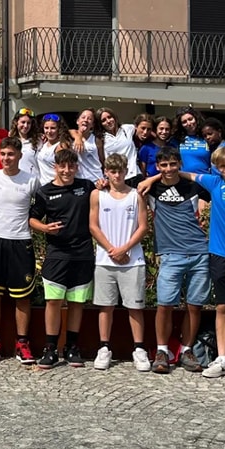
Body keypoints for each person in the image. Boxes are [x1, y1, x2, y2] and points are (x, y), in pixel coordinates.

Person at [145, 145, 225, 379]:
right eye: (221, 166)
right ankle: (189, 354)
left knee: (209, 305)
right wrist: (152, 178)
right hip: (213, 256)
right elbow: (175, 174)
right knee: (182, 305)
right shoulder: (214, 183)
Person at [29, 148, 95, 369]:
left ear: (76, 167)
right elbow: (32, 219)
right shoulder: (45, 192)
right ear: (55, 167)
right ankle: (50, 348)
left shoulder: (87, 187)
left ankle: (72, 347)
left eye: (71, 166)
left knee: (77, 302)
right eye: (62, 166)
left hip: (83, 253)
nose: (67, 170)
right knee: (54, 302)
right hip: (57, 254)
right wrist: (46, 228)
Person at [143, 146, 207, 375]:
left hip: (200, 252)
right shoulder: (151, 188)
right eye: (164, 165)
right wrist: (152, 178)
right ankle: (162, 351)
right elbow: (118, 181)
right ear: (158, 167)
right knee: (164, 304)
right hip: (170, 254)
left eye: (173, 164)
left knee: (194, 305)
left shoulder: (193, 186)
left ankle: (187, 350)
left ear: (179, 164)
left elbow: (219, 185)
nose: (169, 169)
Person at [0, 137, 38, 365]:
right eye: (3, 154)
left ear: (20, 155)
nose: (6, 159)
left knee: (22, 297)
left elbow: (48, 199)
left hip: (21, 242)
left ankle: (22, 343)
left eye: (10, 154)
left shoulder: (31, 181)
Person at [89, 153, 149, 372]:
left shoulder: (136, 195)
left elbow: (143, 226)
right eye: (112, 171)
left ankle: (139, 349)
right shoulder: (97, 195)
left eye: (120, 171)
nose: (116, 175)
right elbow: (93, 226)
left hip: (133, 259)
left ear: (126, 171)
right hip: (106, 259)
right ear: (106, 172)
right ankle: (104, 347)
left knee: (135, 306)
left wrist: (125, 248)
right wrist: (111, 249)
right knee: (105, 306)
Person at [97, 107, 138, 179]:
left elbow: (143, 129)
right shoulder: (100, 138)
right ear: (100, 124)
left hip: (134, 174)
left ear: (114, 117)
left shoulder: (126, 128)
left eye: (110, 117)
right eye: (103, 120)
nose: (108, 121)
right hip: (116, 178)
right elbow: (102, 160)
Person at [70, 108, 104, 183]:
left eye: (89, 119)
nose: (85, 120)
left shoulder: (96, 139)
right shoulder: (70, 137)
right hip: (78, 179)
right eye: (83, 117)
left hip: (96, 179)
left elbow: (102, 160)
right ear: (77, 121)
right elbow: (66, 131)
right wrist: (78, 137)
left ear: (92, 124)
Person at [174, 107, 211, 175]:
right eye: (184, 122)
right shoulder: (177, 139)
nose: (188, 123)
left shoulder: (206, 137)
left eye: (190, 119)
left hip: (204, 180)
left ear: (196, 119)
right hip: (185, 180)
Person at [36, 113, 72, 184]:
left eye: (53, 128)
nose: (49, 131)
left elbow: (64, 171)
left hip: (55, 186)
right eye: (46, 128)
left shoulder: (61, 146)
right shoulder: (43, 143)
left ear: (59, 129)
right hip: (42, 186)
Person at [9, 108, 40, 176]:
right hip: (15, 181)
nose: (25, 126)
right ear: (16, 122)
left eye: (28, 123)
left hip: (34, 182)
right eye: (23, 122)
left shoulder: (39, 140)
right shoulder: (10, 140)